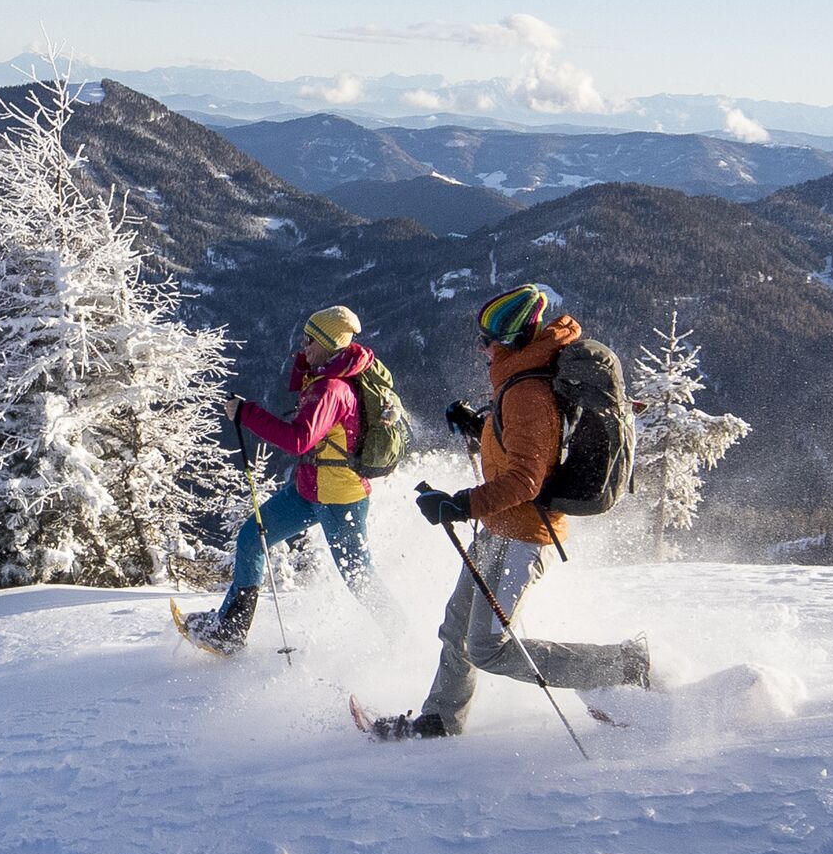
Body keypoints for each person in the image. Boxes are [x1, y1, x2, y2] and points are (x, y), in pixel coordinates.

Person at [374, 282, 651, 739]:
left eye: (486, 339)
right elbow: (526, 445)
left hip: (522, 536)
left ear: (509, 342)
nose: (480, 346)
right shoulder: (521, 381)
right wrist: (479, 424)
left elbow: (527, 479)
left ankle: (623, 664)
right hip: (500, 528)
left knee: (487, 646)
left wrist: (458, 504)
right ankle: (441, 719)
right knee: (456, 629)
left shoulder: (527, 391)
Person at [188, 304, 388, 653]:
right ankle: (230, 631)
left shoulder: (332, 389)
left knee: (359, 575)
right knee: (252, 537)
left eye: (310, 339)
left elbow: (298, 441)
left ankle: (403, 637)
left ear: (327, 342)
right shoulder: (323, 379)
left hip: (340, 497)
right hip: (309, 490)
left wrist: (247, 413)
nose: (304, 346)